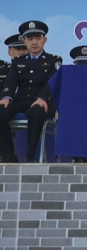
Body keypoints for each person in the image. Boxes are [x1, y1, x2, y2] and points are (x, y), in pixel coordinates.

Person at [0, 21, 62, 163]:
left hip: (43, 103)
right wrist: (6, 97)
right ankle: (8, 154)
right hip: (22, 101)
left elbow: (52, 83)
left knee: (36, 112)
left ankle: (30, 155)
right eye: (30, 39)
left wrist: (42, 98)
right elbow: (10, 82)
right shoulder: (18, 62)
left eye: (38, 38)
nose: (34, 42)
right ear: (25, 41)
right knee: (1, 110)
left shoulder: (54, 60)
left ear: (44, 40)